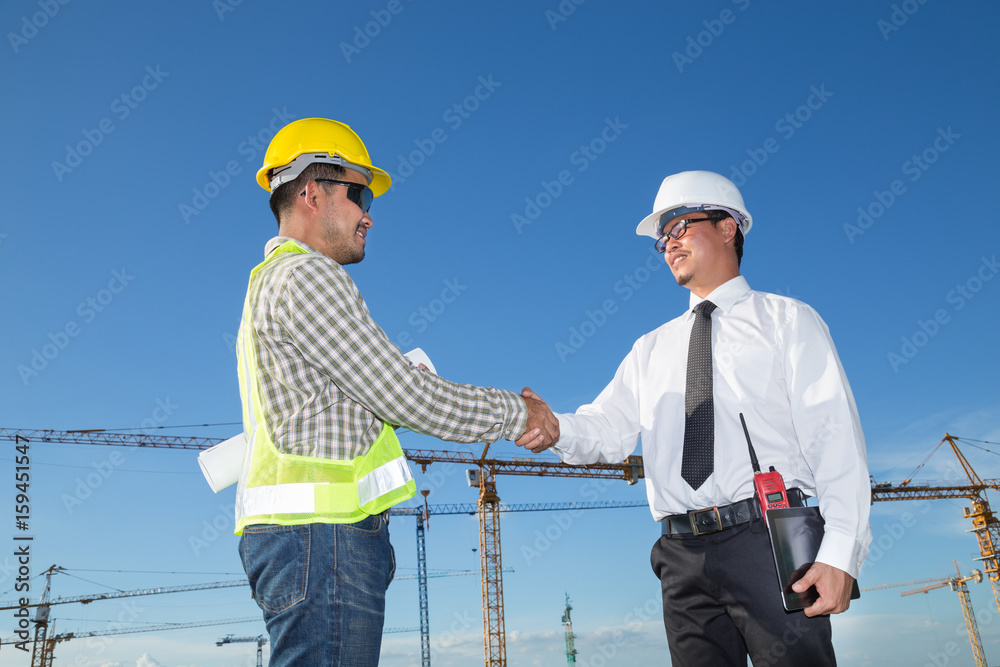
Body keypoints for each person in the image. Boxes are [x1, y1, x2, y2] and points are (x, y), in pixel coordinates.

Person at [233, 117, 558, 666]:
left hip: (307, 543)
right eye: (358, 192)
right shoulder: (307, 277)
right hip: (323, 540)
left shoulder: (271, 281)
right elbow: (406, 396)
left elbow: (352, 405)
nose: (369, 213)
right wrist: (518, 412)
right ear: (313, 192)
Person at [521, 170, 871, 666]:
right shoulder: (650, 349)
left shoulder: (788, 321)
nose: (668, 244)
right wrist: (557, 427)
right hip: (680, 556)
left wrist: (840, 552)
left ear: (728, 227)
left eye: (680, 227)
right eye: (662, 238)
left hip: (769, 544)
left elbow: (835, 439)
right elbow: (607, 427)